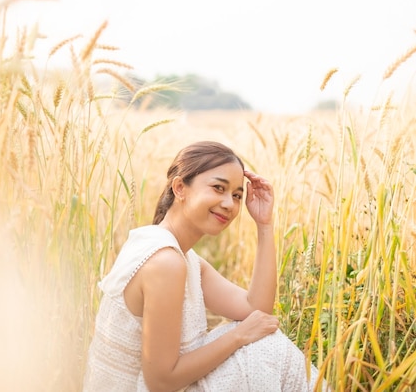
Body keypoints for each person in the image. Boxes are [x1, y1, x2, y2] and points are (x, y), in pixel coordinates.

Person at [83, 141, 327, 392]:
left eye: (236, 195)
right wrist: (239, 336)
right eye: (218, 188)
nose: (229, 204)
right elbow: (161, 382)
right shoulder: (165, 263)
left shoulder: (180, 256)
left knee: (267, 345)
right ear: (179, 188)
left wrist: (264, 224)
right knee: (267, 350)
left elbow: (256, 309)